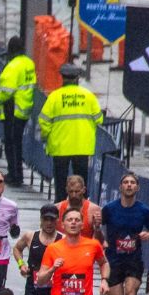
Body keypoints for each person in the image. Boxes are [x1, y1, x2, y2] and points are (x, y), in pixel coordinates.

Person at [37, 62, 100, 202]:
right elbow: (99, 119)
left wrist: (45, 137)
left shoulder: (54, 97)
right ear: (77, 78)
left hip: (60, 146)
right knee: (81, 184)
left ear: (62, 78)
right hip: (82, 146)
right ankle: (81, 210)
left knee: (60, 184)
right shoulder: (88, 96)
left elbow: (44, 121)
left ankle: (60, 210)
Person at [0, 36, 37, 183]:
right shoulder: (28, 63)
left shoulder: (12, 67)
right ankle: (18, 173)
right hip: (25, 107)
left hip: (12, 108)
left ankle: (14, 175)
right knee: (17, 143)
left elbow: (6, 91)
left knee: (11, 143)